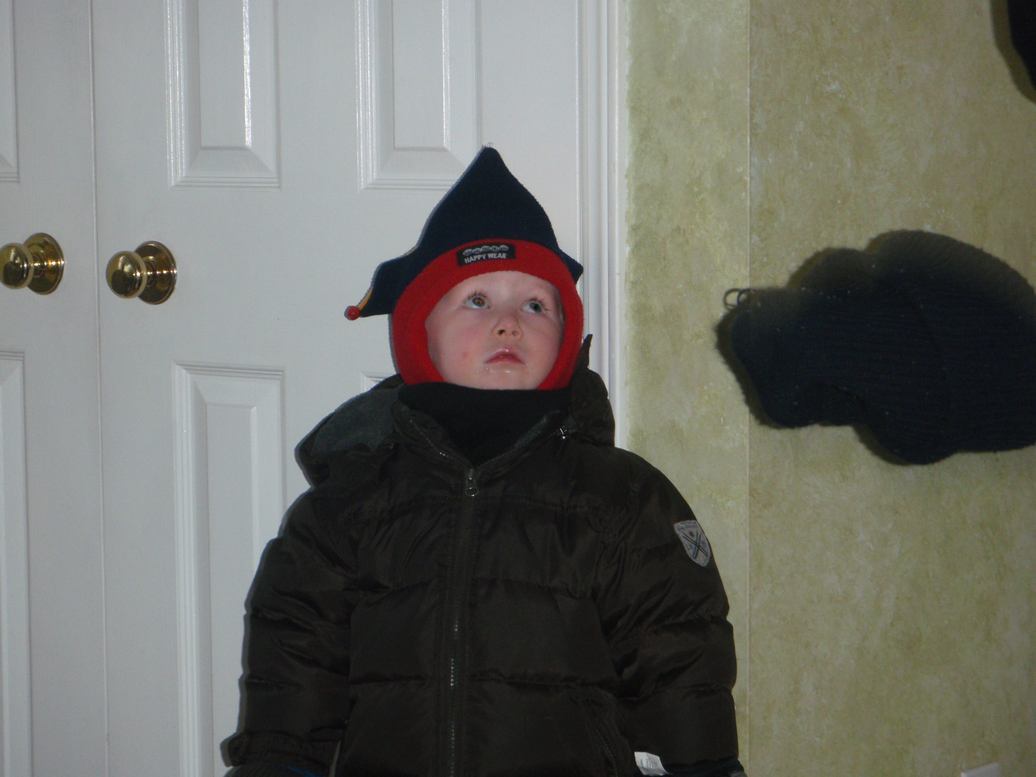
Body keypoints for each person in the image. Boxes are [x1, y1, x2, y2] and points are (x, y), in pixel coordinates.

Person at [222, 148, 745, 777]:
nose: (508, 324)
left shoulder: (623, 499)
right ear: (419, 329)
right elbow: (294, 669)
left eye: (535, 305)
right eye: (477, 300)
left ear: (564, 336)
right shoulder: (349, 501)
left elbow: (680, 671)